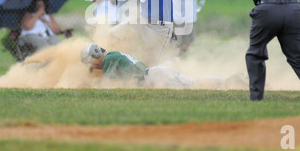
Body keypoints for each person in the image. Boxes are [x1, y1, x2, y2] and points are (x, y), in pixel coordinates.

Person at [80, 43, 246, 89]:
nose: (94, 68)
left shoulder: (108, 59)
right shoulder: (113, 55)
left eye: (92, 64)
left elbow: (110, 85)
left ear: (95, 54)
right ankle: (229, 80)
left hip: (155, 77)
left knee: (194, 84)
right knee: (193, 83)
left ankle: (230, 80)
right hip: (155, 74)